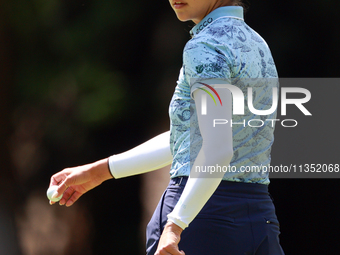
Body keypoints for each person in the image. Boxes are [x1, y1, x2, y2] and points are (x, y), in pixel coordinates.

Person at [49, 0, 285, 254]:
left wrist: (174, 226)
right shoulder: (258, 43)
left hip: (200, 220)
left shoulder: (205, 46)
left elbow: (217, 149)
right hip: (259, 220)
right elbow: (189, 140)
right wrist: (101, 171)